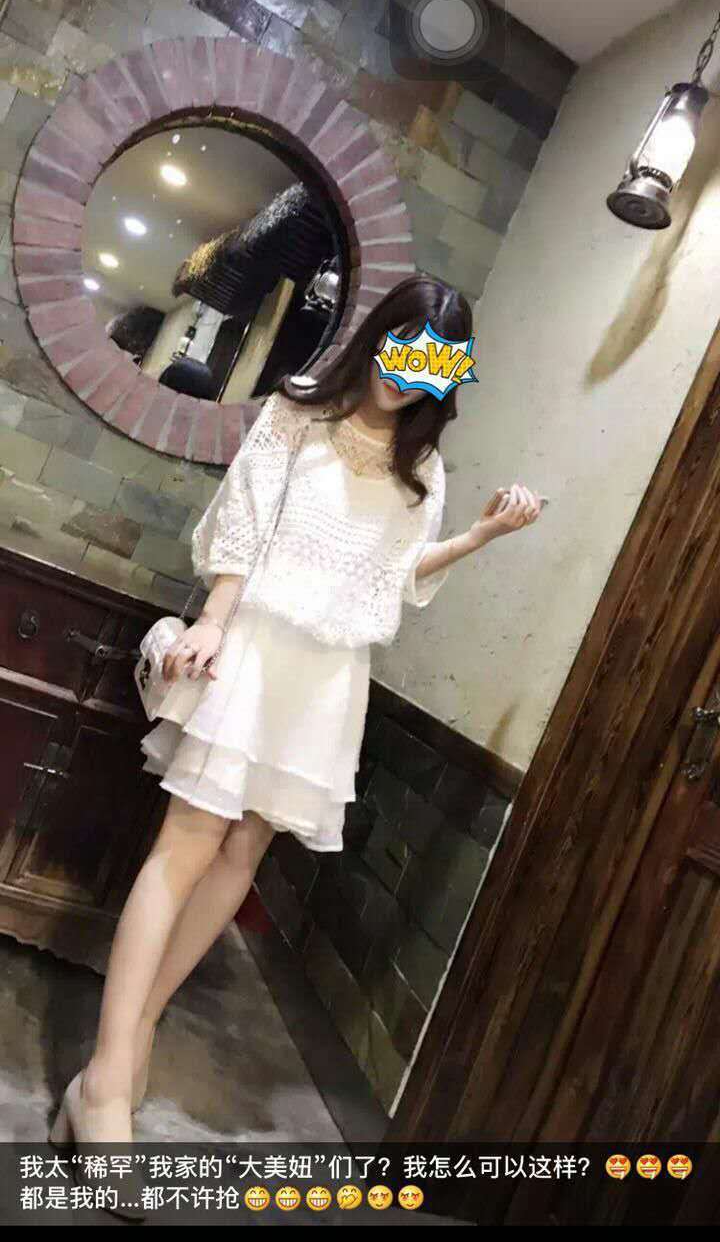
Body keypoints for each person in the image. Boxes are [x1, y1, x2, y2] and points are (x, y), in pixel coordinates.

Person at [50, 275, 543, 1166]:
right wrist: (212, 621)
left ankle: (130, 1043)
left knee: (242, 854)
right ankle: (110, 1081)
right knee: (187, 845)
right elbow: (239, 528)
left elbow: (392, 577)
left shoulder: (424, 469)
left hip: (328, 678)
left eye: (430, 366)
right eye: (402, 349)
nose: (406, 376)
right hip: (254, 648)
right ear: (379, 336)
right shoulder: (298, 413)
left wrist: (478, 538)